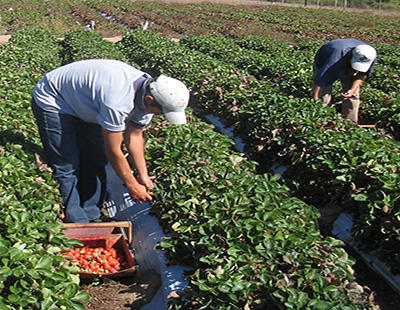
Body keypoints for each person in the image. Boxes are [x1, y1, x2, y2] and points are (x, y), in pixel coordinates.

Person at [32, 59, 190, 223]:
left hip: (87, 102)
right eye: (161, 112)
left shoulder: (151, 95)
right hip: (55, 99)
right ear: (149, 99)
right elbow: (114, 150)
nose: (160, 115)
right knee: (67, 162)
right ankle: (76, 219)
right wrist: (131, 185)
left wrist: (143, 175)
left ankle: (91, 213)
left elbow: (134, 137)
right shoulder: (117, 101)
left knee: (96, 158)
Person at [312, 38, 377, 124]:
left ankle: (350, 122)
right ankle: (320, 119)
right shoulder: (336, 58)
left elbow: (362, 75)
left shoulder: (370, 55)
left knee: (353, 95)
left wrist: (352, 90)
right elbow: (320, 81)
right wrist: (316, 98)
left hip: (347, 58)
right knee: (323, 95)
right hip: (326, 59)